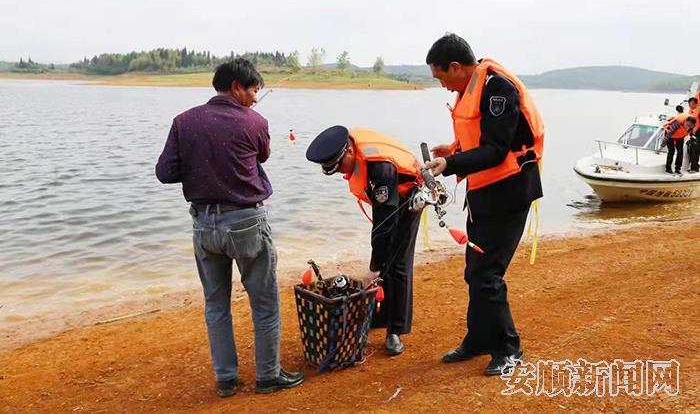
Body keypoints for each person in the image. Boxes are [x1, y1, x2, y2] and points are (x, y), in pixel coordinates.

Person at [155, 59, 303, 397]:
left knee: (216, 304)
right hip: (247, 223)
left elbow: (165, 172)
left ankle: (225, 379)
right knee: (264, 302)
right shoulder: (255, 122)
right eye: (253, 90)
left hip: (204, 225)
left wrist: (199, 166)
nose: (255, 97)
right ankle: (268, 377)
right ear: (236, 86)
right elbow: (262, 156)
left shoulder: (183, 121)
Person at [423, 33, 544, 376]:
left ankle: (509, 348)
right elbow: (480, 139)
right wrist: (454, 151)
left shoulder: (497, 89)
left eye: (442, 77)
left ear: (456, 67)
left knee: (487, 275)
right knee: (474, 273)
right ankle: (477, 339)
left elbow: (497, 149)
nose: (443, 86)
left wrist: (451, 166)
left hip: (510, 193)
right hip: (484, 194)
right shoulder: (470, 88)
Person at [305, 126, 422, 356]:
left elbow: (385, 222)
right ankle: (378, 317)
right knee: (383, 252)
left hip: (409, 196)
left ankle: (396, 329)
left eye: (339, 166)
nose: (339, 172)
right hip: (388, 199)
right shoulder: (352, 150)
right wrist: (377, 264)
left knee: (397, 261)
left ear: (349, 151)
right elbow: (380, 223)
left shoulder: (380, 168)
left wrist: (374, 267)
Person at [661, 108, 691, 174]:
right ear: (685, 122)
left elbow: (692, 133)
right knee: (671, 151)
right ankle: (668, 168)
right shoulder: (677, 123)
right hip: (670, 135)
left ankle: (678, 169)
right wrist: (662, 145)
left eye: (690, 126)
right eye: (687, 125)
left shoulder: (691, 126)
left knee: (680, 151)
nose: (688, 127)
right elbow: (668, 135)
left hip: (680, 136)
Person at [687, 98, 700, 172]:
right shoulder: (691, 112)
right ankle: (695, 166)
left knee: (695, 149)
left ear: (695, 103)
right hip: (692, 133)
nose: (689, 105)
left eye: (691, 103)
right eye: (689, 104)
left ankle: (694, 168)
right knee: (691, 149)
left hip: (698, 133)